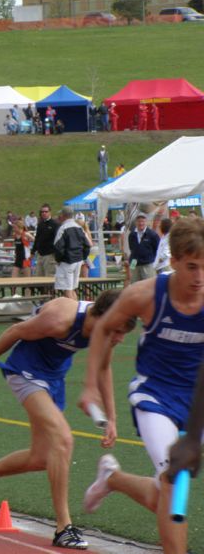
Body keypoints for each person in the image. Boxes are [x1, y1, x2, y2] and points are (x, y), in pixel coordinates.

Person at [0, 290, 132, 550]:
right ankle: (63, 527)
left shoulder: (105, 332)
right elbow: (15, 331)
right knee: (63, 439)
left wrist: (113, 419)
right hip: (25, 371)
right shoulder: (60, 319)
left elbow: (104, 369)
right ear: (101, 315)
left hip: (53, 379)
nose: (118, 338)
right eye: (116, 331)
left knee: (41, 458)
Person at [78, 217, 204, 554]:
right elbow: (103, 327)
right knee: (174, 479)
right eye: (192, 267)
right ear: (173, 261)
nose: (199, 278)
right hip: (155, 396)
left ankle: (113, 479)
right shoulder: (147, 295)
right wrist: (90, 386)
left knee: (167, 488)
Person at [53, 206, 90, 299]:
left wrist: (58, 260)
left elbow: (58, 247)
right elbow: (87, 245)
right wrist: (83, 257)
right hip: (78, 260)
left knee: (68, 289)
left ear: (63, 215)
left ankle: (72, 311)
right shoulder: (79, 228)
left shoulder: (63, 228)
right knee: (72, 288)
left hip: (67, 261)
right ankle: (76, 309)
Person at [128, 211, 160, 283]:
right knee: (134, 285)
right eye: (139, 221)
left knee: (149, 285)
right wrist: (131, 266)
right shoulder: (132, 235)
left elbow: (157, 249)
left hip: (147, 264)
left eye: (142, 221)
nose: (141, 223)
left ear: (146, 222)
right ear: (136, 222)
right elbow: (132, 249)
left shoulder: (152, 234)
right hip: (135, 264)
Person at [34, 204, 58, 278]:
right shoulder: (40, 224)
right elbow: (37, 239)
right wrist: (33, 251)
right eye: (42, 212)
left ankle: (51, 290)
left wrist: (55, 253)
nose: (44, 213)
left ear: (50, 212)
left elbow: (57, 240)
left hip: (50, 255)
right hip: (40, 255)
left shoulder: (54, 224)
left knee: (50, 277)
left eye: (46, 211)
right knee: (38, 277)